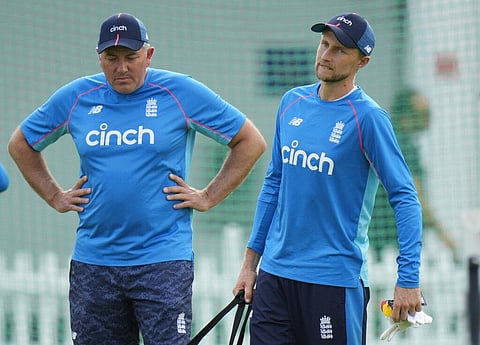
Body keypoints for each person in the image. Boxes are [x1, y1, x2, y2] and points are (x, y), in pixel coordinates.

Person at [8, 13, 266, 345]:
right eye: (111, 58)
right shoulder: (78, 97)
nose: (121, 68)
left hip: (162, 261)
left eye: (131, 57)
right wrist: (55, 196)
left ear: (148, 55)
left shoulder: (179, 92)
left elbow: (250, 141)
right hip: (94, 263)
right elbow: (21, 143)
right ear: (99, 58)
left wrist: (208, 196)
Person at [233, 12, 424, 345]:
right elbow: (274, 184)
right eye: (324, 44)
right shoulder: (292, 102)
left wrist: (408, 279)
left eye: (339, 50)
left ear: (362, 62)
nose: (325, 55)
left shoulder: (368, 117)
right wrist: (251, 264)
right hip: (275, 277)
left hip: (333, 281)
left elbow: (405, 197)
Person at [369, 87, 458, 263]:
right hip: (392, 240)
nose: (429, 119)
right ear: (407, 116)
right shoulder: (404, 147)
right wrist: (445, 237)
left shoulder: (389, 137)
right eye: (424, 114)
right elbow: (415, 197)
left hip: (376, 237)